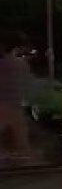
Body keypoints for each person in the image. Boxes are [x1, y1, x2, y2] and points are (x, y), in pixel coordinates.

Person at [0, 31, 32, 159]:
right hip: (16, 104)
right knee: (20, 137)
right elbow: (26, 83)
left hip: (2, 103)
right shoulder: (22, 64)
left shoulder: (2, 64)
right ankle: (23, 158)